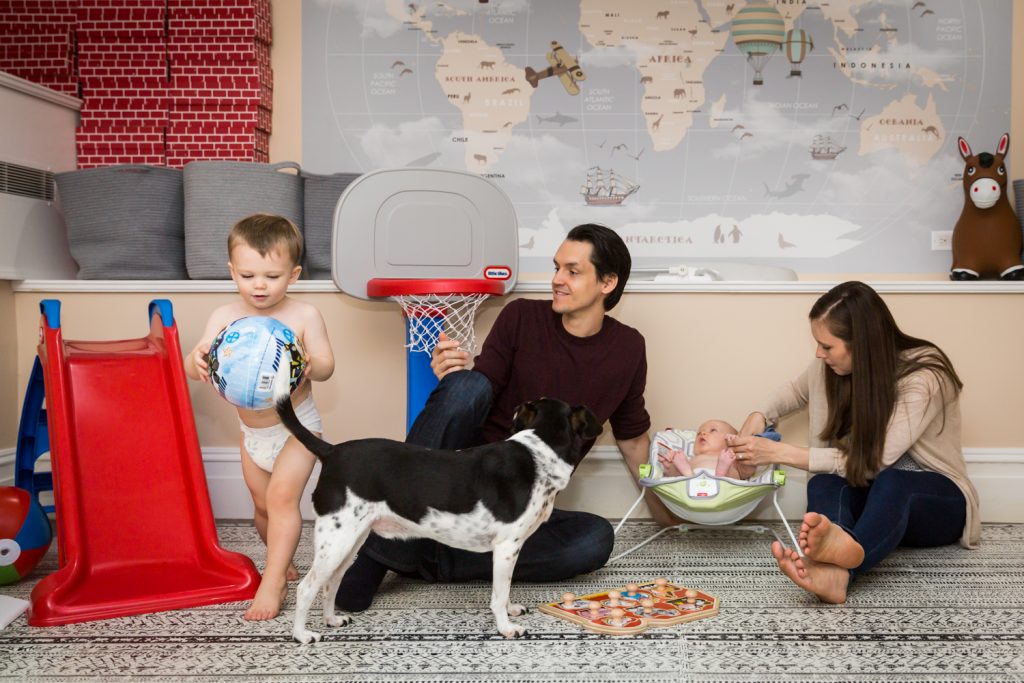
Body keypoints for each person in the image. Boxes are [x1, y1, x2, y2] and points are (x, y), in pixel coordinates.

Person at [336, 223, 676, 612]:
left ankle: (426, 555)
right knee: (467, 386)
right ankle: (380, 555)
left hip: (517, 506)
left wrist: (665, 510)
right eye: (556, 268)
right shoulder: (521, 317)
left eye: (572, 271)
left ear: (608, 282)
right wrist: (459, 371)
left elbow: (633, 439)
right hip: (466, 478)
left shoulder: (628, 348)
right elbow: (479, 389)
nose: (557, 280)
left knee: (595, 539)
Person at [726, 281, 979, 604]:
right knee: (824, 484)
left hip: (935, 504)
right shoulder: (829, 370)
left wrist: (781, 452)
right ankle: (835, 552)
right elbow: (795, 392)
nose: (819, 353)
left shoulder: (925, 375)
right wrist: (760, 415)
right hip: (875, 502)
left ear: (861, 343)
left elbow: (876, 461)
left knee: (893, 481)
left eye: (827, 346)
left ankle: (841, 572)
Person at [185, 214, 336, 621]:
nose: (259, 285)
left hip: (296, 428)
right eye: (248, 274)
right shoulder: (224, 315)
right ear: (232, 271)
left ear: (294, 274)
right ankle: (280, 559)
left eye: (272, 275)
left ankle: (274, 582)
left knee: (282, 500)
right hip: (250, 432)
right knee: (262, 507)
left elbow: (326, 364)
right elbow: (194, 358)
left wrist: (308, 365)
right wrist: (195, 359)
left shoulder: (304, 315)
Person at [657, 419, 756, 480]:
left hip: (727, 490)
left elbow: (748, 470)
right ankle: (688, 474)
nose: (703, 433)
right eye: (699, 433)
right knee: (681, 472)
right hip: (692, 484)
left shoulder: (733, 459)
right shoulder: (691, 460)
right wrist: (672, 468)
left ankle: (721, 475)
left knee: (730, 471)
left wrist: (738, 444)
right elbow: (673, 479)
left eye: (713, 430)